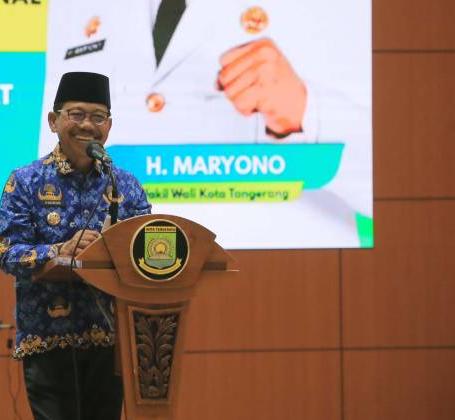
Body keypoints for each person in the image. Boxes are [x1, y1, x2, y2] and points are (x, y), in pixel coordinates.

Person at [39, 0, 372, 248]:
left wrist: (305, 111)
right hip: (115, 260)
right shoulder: (67, 8)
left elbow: (380, 176)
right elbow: (51, 152)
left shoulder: (334, 11)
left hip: (272, 261)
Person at [0, 71, 152, 420]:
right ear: (54, 121)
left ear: (109, 126)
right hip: (48, 337)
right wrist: (58, 251)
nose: (88, 125)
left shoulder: (125, 185)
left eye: (98, 116)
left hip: (109, 339)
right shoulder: (25, 181)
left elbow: (144, 254)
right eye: (77, 114)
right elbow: (8, 254)